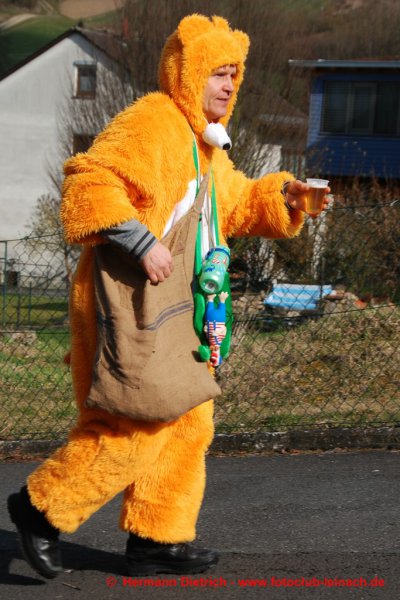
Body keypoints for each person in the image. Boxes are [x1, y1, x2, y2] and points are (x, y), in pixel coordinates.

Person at [7, 14, 330, 580]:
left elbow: (234, 202)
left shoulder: (206, 144)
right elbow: (88, 182)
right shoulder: (153, 121)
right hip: (129, 303)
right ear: (187, 74)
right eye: (218, 74)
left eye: (234, 75)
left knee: (188, 419)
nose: (229, 85)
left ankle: (157, 537)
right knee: (134, 422)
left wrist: (287, 195)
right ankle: (40, 509)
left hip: (176, 307)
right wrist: (141, 242)